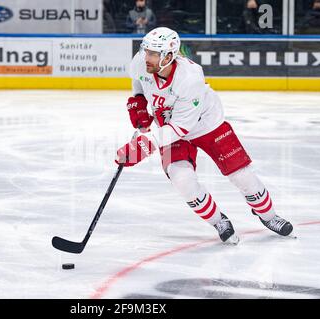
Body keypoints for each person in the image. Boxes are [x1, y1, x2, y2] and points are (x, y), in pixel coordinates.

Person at [115, 27, 294, 243]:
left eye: (154, 53)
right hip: (169, 126)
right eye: (146, 51)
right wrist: (139, 101)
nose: (147, 57)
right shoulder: (142, 61)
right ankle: (219, 221)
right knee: (183, 181)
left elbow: (181, 127)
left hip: (207, 124)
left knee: (242, 175)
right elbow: (138, 80)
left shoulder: (190, 77)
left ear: (170, 56)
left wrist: (144, 146)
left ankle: (269, 216)